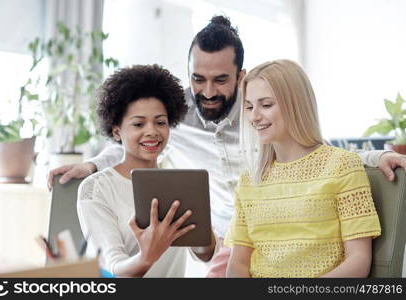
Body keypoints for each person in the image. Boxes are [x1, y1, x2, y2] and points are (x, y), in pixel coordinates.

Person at [49, 15, 406, 277]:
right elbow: (137, 140)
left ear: (240, 76)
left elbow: (315, 150)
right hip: (229, 235)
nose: (207, 92)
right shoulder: (174, 114)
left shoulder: (261, 115)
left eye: (220, 80)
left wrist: (379, 155)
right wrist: (92, 165)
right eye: (198, 79)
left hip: (260, 236)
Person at [225, 59, 381, 277]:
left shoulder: (343, 167)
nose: (254, 116)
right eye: (250, 107)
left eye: (266, 105)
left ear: (295, 104)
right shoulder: (249, 180)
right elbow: (238, 264)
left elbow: (358, 261)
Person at [77, 64, 215, 277]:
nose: (152, 131)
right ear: (116, 131)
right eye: (139, 124)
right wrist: (146, 257)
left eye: (160, 122)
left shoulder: (180, 182)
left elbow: (205, 254)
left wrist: (203, 233)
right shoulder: (96, 188)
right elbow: (116, 270)